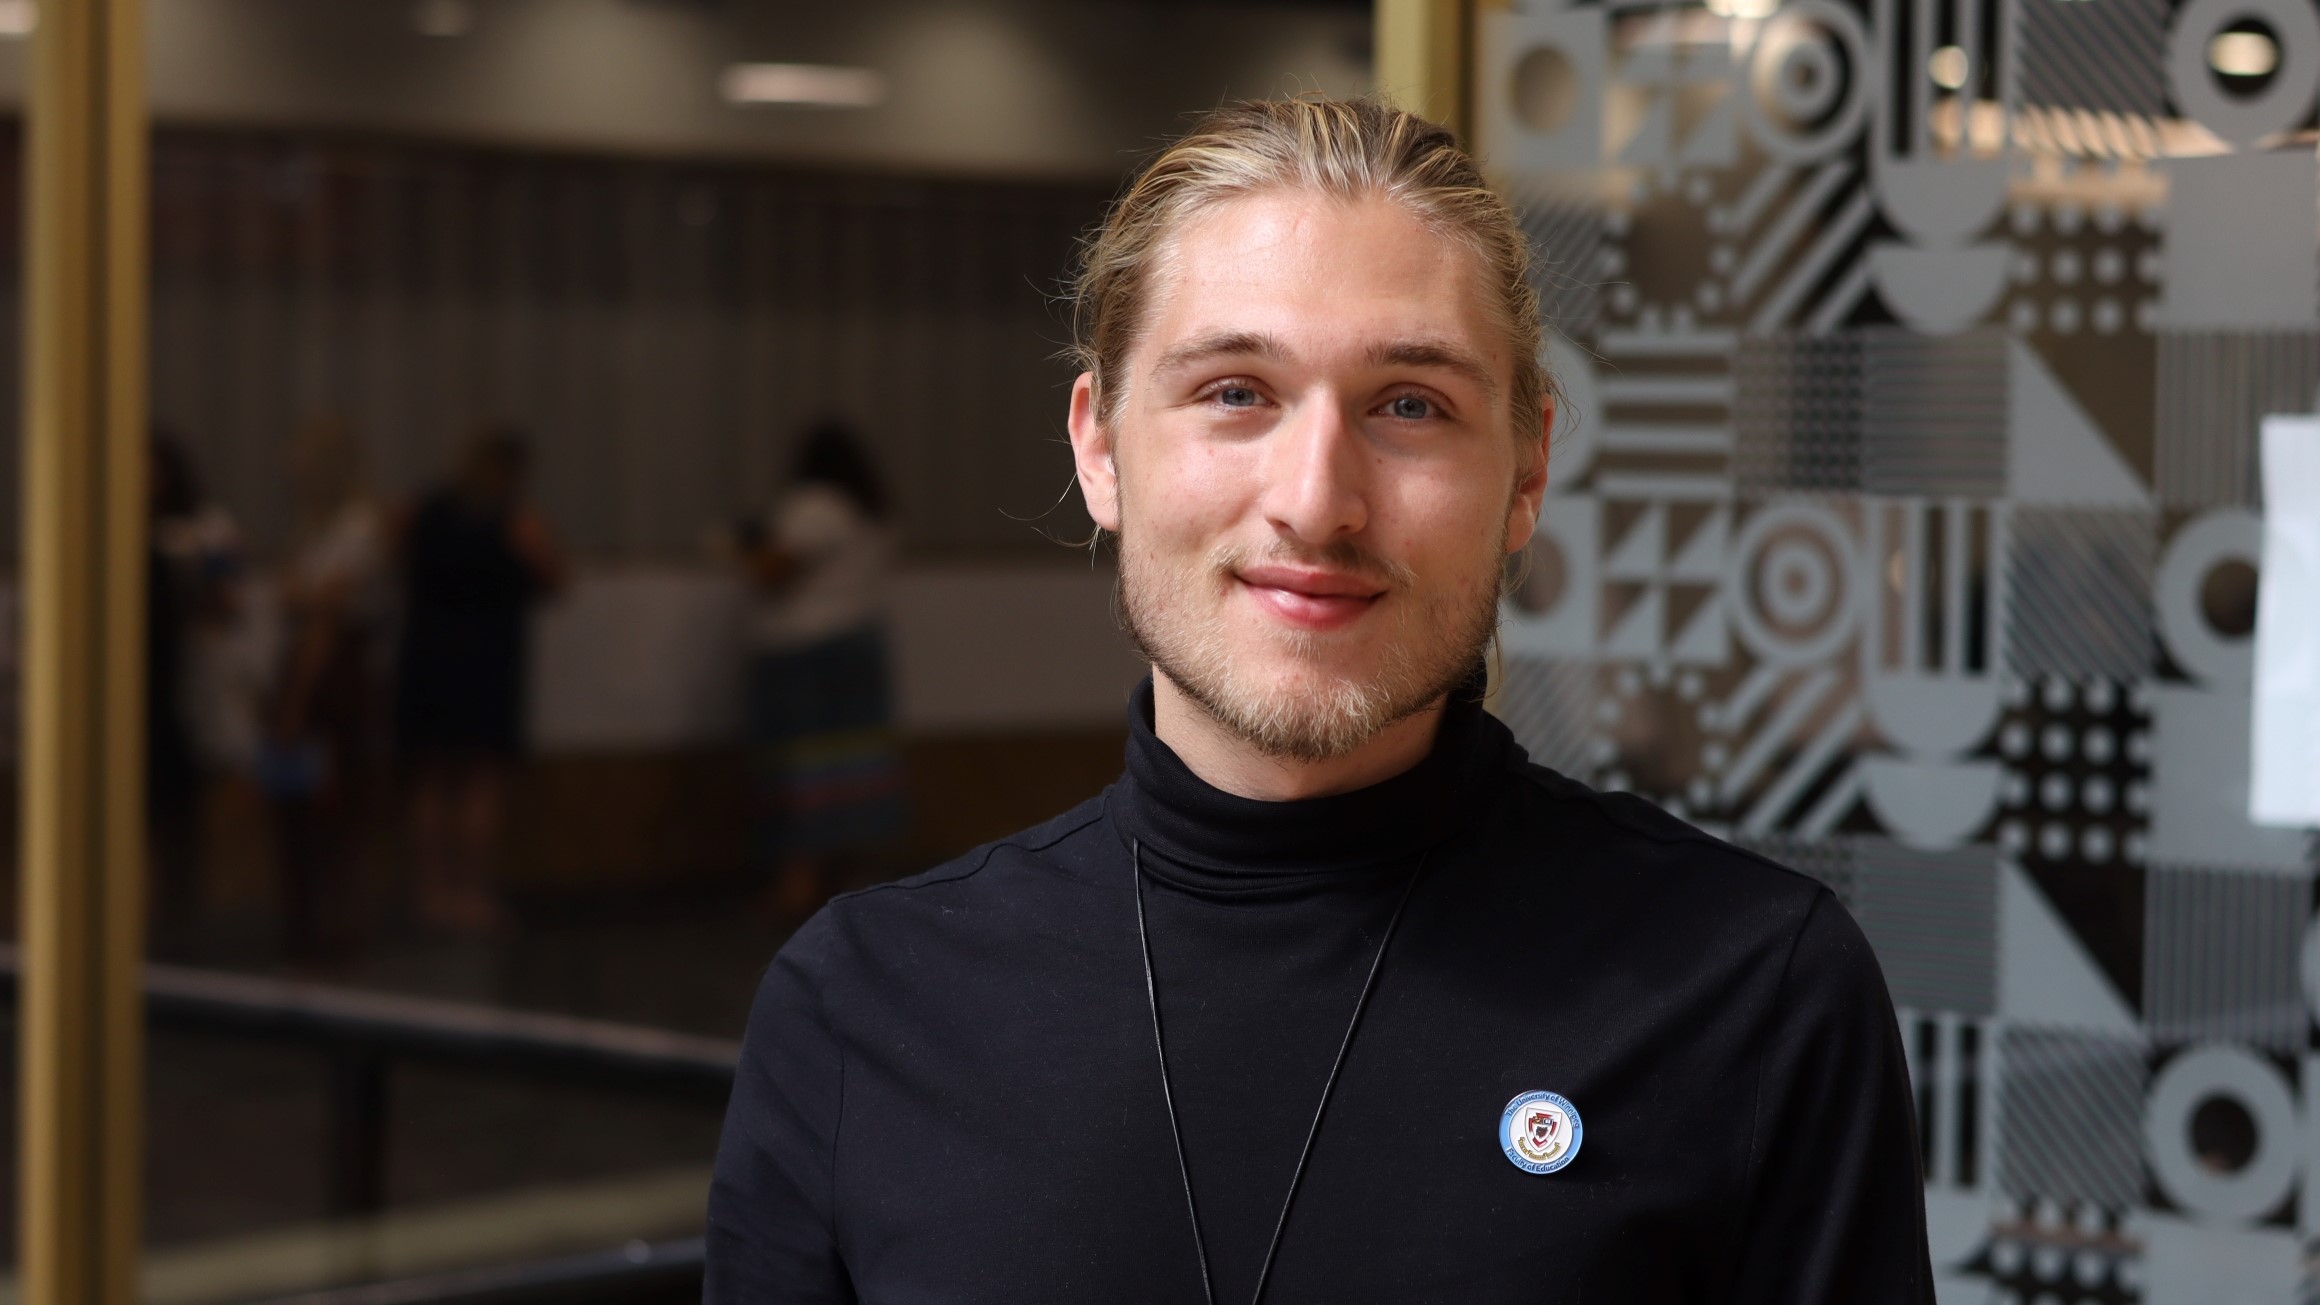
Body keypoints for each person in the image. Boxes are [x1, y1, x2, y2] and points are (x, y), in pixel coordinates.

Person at [707, 99, 1931, 1303]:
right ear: (1099, 448)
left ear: (1527, 471)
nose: (1315, 500)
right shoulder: (866, 1008)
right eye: (1235, 390)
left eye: (1410, 404)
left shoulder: (1748, 995)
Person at [391, 425, 565, 935]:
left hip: (427, 656)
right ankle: (469, 894)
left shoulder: (424, 510)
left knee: (431, 782)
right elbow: (556, 579)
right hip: (486, 660)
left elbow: (395, 561)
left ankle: (431, 893)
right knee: (478, 785)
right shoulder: (513, 520)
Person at [732, 421, 907, 919]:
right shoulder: (873, 512)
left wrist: (739, 549)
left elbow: (773, 572)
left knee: (802, 767)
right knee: (852, 766)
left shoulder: (814, 505)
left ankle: (797, 883)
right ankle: (850, 882)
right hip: (859, 647)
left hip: (805, 653)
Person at [263, 416, 391, 963]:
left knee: (331, 809)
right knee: (299, 812)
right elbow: (293, 596)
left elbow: (325, 611)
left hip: (329, 680)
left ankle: (334, 929)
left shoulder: (358, 527)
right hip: (308, 669)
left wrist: (296, 699)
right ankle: (306, 923)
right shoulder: (316, 527)